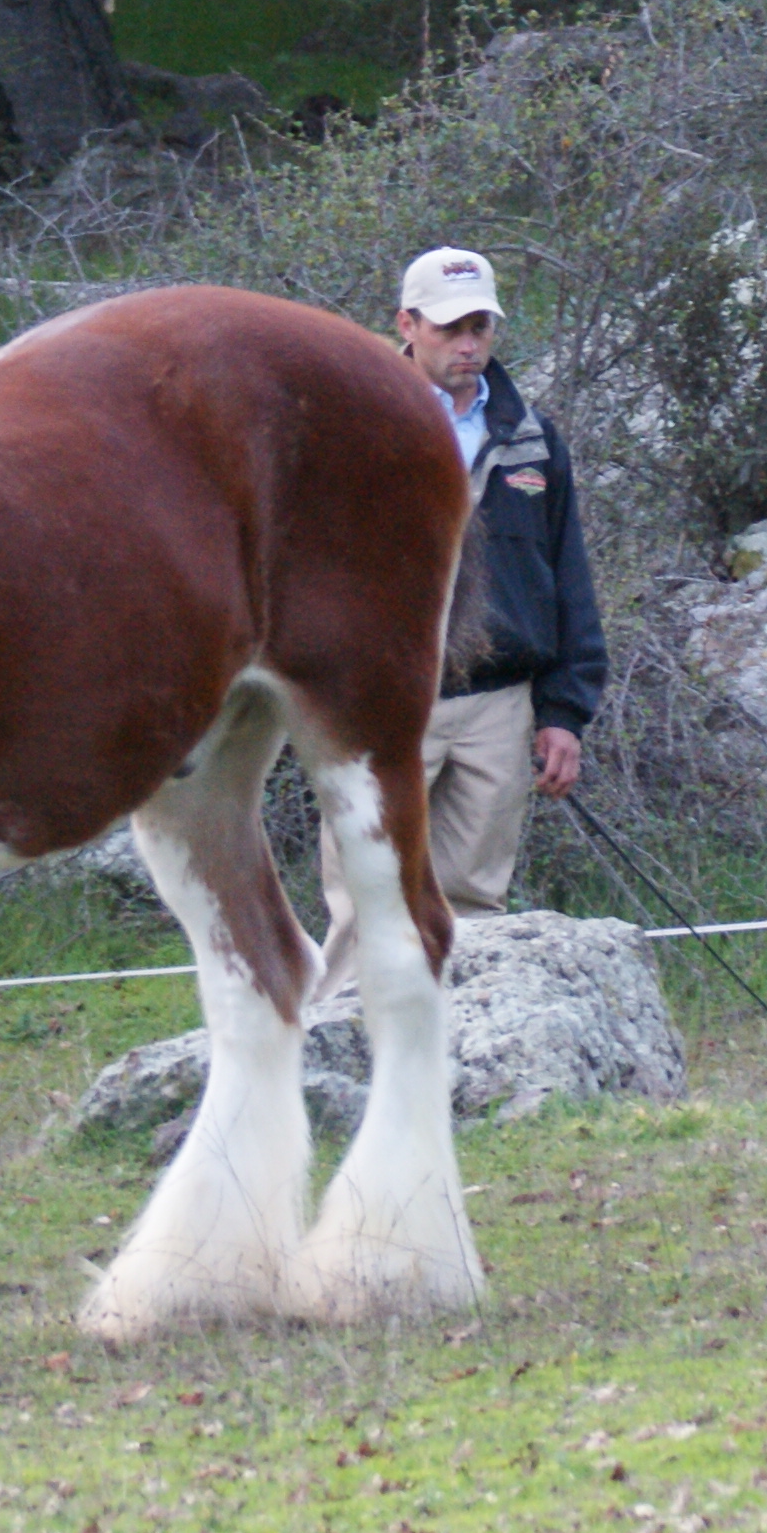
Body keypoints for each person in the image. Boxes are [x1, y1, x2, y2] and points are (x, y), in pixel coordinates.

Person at [322, 245, 605, 984]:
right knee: (365, 905)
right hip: (383, 706)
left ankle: (460, 1075)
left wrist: (564, 713)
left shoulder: (533, 437)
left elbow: (569, 578)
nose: (469, 343)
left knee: (475, 907)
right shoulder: (351, 431)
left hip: (498, 707)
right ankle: (350, 1074)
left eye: (481, 325)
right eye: (451, 328)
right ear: (406, 324)